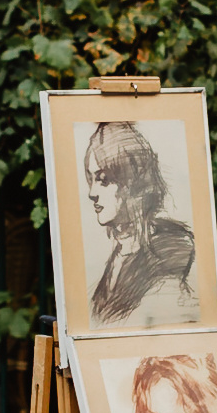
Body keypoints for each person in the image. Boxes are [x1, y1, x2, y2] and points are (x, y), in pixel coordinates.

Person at [84, 121, 201, 327]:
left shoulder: (171, 250)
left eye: (103, 180)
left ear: (132, 182)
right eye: (91, 180)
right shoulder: (119, 254)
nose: (92, 193)